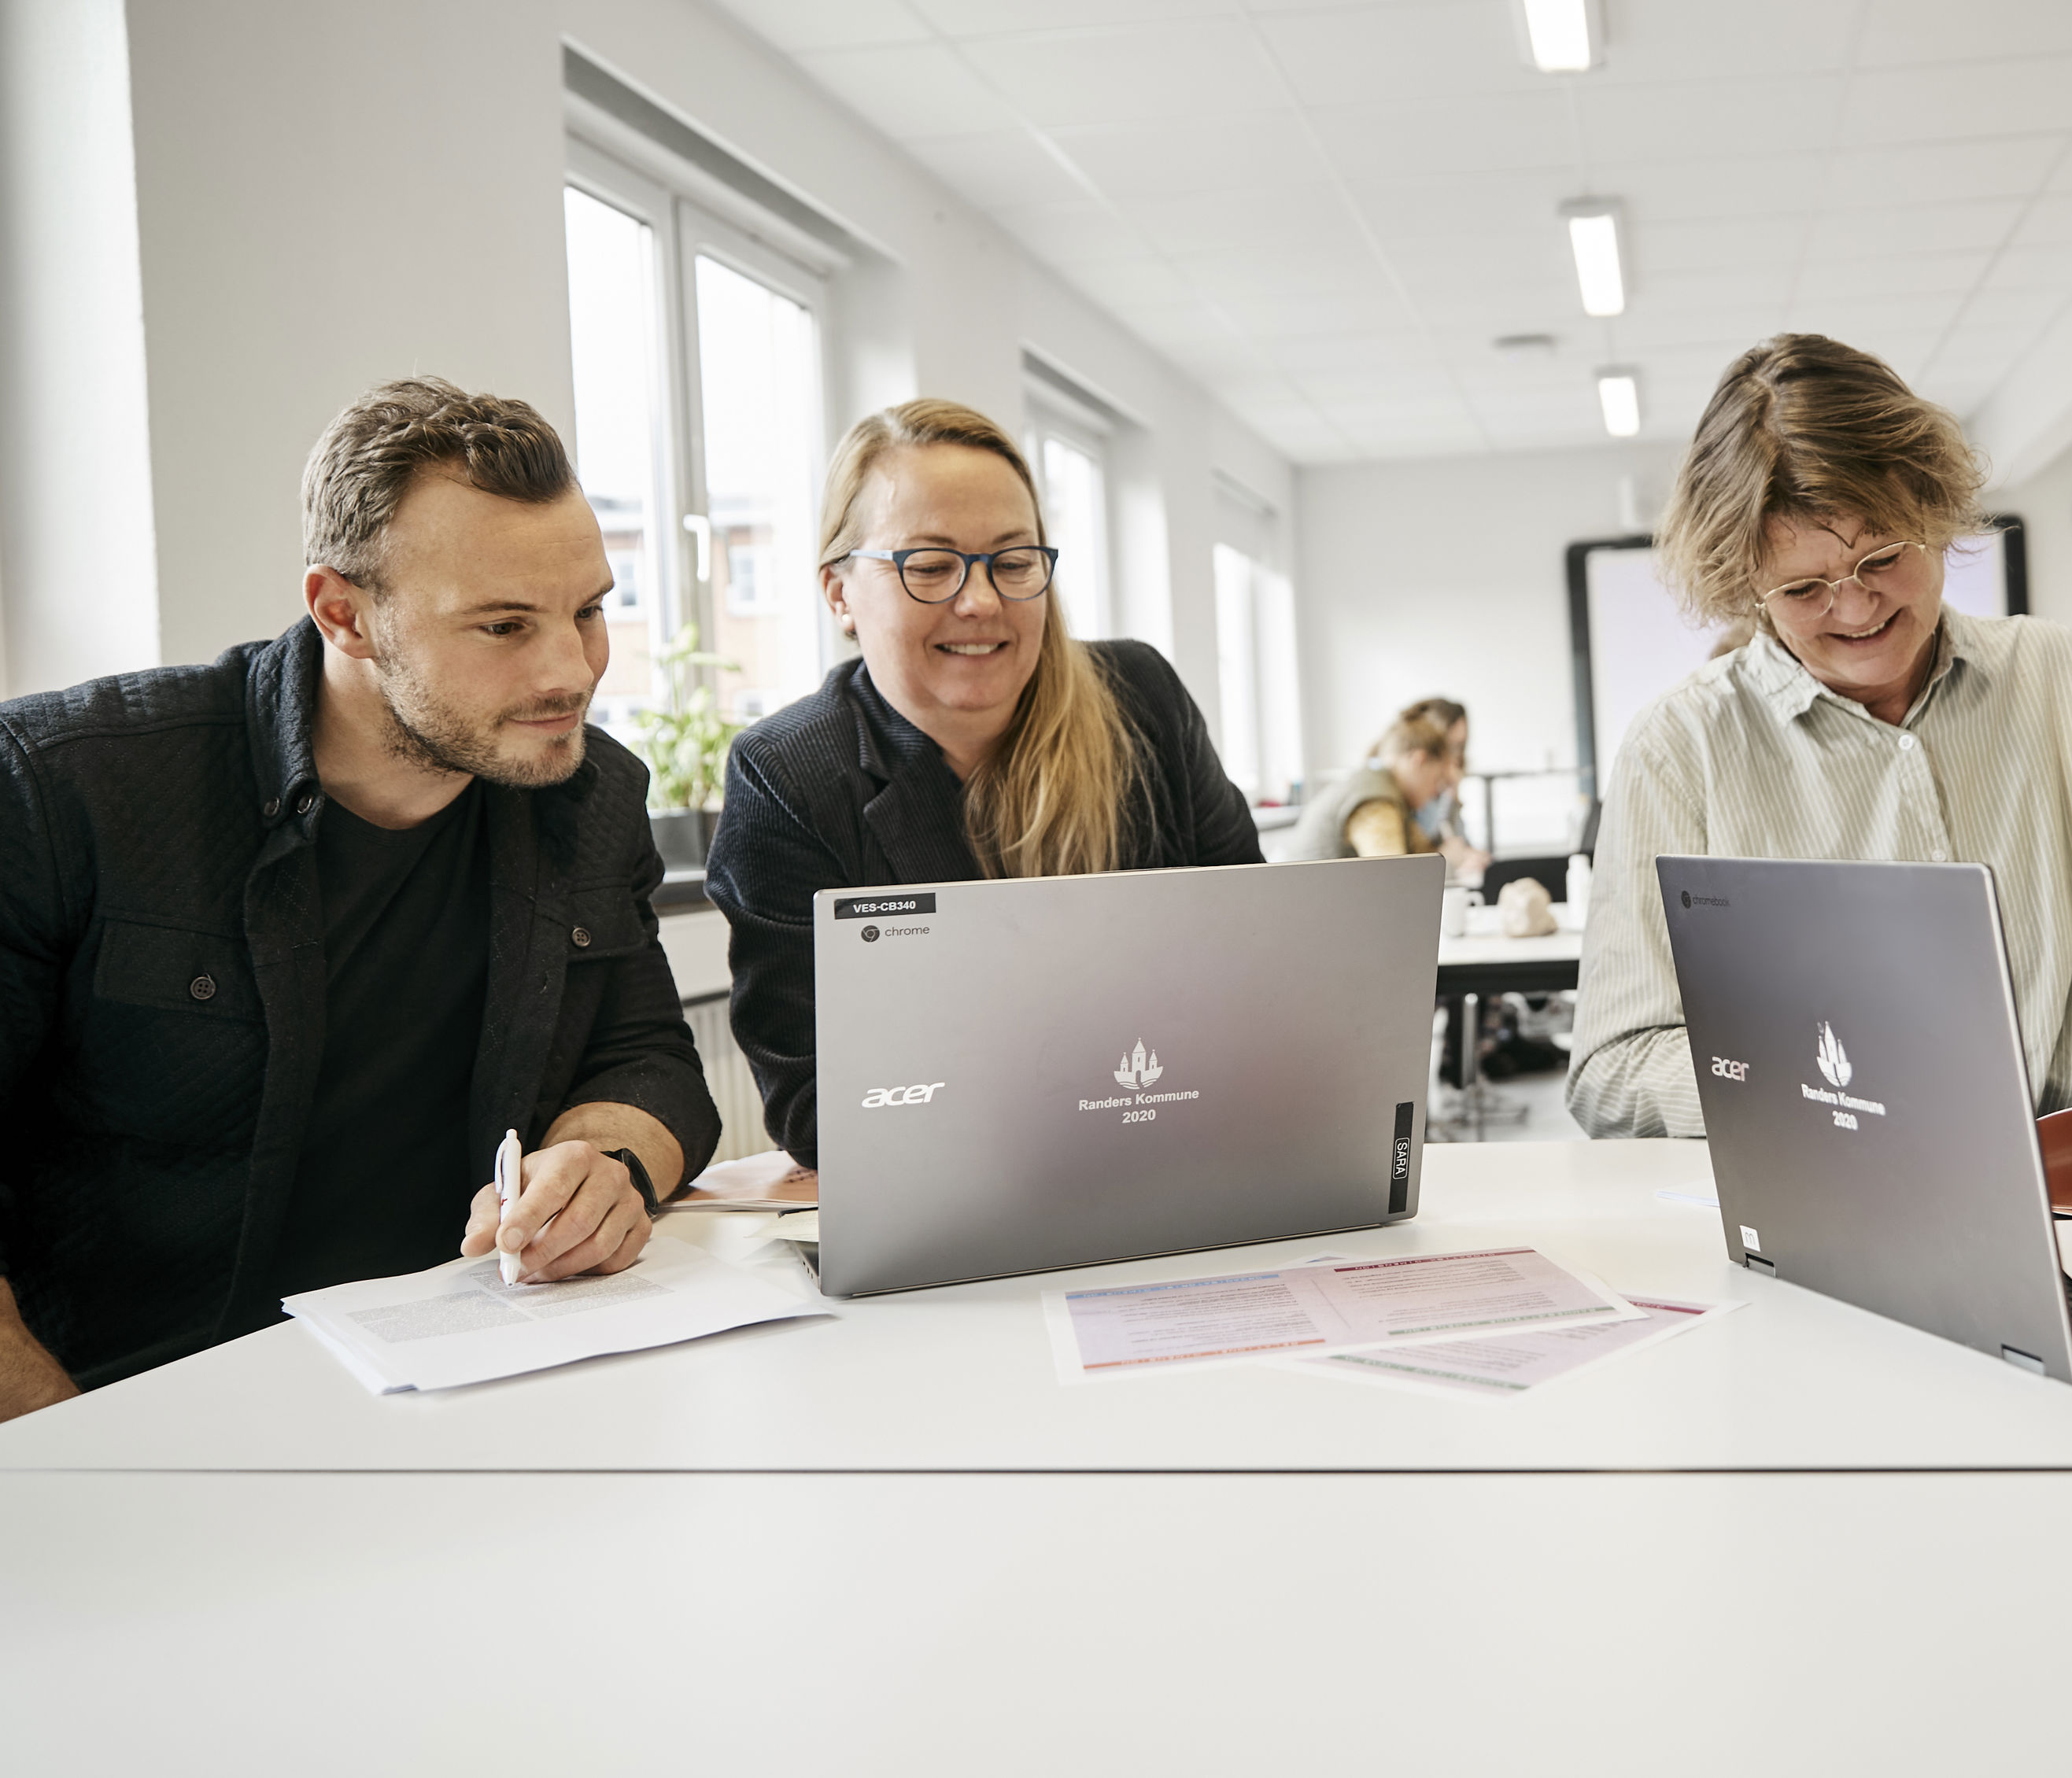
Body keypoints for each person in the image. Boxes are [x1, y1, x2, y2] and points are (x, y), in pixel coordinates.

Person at [0, 378, 720, 1421]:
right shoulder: (64, 787)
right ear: (344, 613)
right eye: (505, 626)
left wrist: (606, 1162)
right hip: (133, 1405)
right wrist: (65, 1464)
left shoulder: (587, 792)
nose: (574, 669)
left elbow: (647, 1056)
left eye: (590, 610)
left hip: (455, 1387)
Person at [1568, 334, 2072, 1163]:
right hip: (1829, 1199)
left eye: (1881, 557)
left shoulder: (2061, 678)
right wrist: (1814, 1083)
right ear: (1747, 588)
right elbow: (1615, 1068)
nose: (1854, 607)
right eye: (1803, 588)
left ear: (1934, 509)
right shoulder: (1680, 749)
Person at [707, 399, 1261, 1167]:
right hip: (960, 1192)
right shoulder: (787, 777)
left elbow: (1258, 961)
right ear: (840, 593)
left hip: (1178, 1156)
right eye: (930, 566)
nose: (981, 601)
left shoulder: (1141, 698)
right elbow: (814, 1108)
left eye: (1013, 560)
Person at [1287, 698, 1487, 879]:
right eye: (1436, 780)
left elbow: (1422, 855)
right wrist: (1449, 863)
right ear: (1418, 761)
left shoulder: (1385, 791)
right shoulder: (1377, 802)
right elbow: (1392, 881)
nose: (1436, 792)